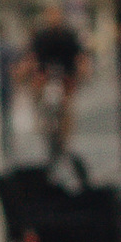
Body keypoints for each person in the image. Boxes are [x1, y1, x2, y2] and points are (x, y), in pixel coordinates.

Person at [26, 10, 84, 155]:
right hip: (45, 74)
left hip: (66, 74)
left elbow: (79, 56)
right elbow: (33, 56)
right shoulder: (41, 36)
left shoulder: (68, 35)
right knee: (36, 93)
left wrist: (81, 71)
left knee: (67, 106)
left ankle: (65, 136)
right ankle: (40, 118)